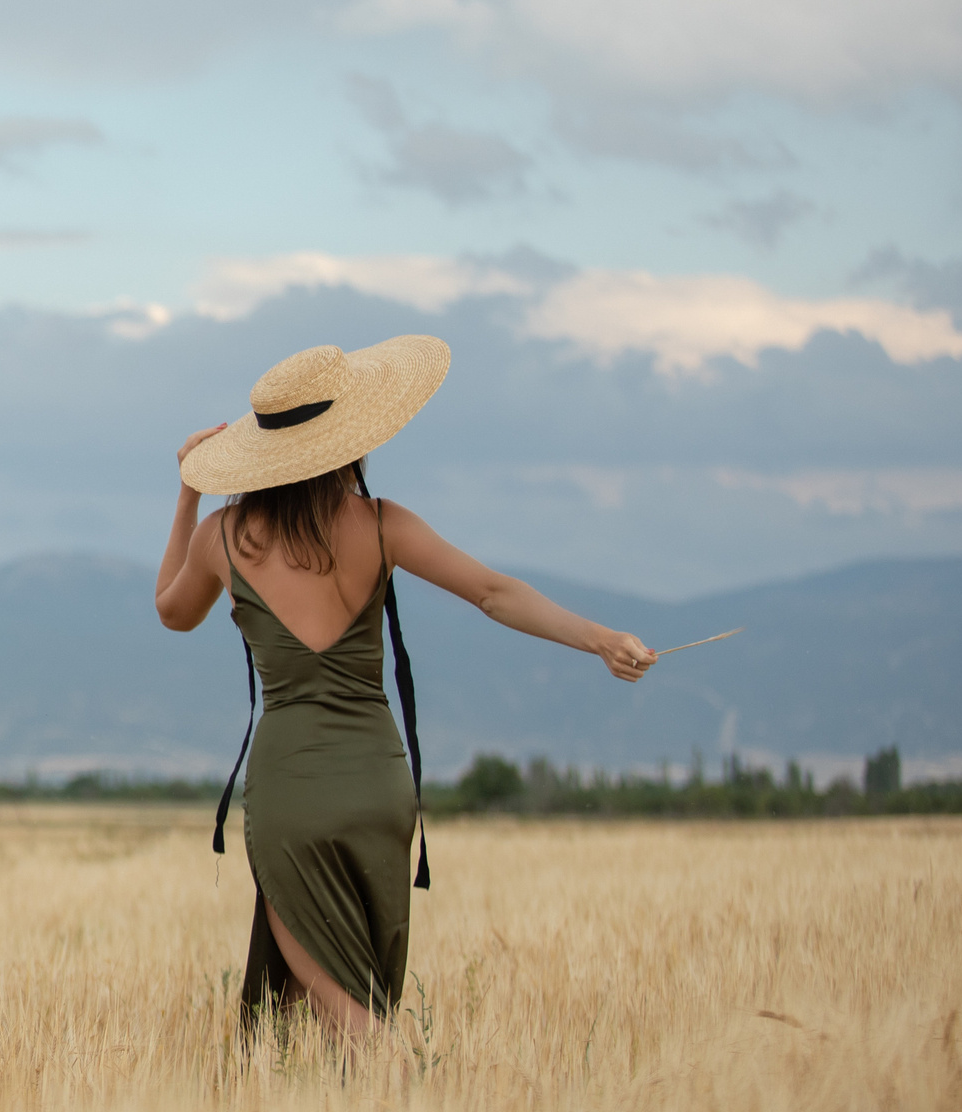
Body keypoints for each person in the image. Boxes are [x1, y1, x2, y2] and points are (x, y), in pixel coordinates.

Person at [154, 336, 656, 1043]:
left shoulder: (223, 536)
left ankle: (390, 1062)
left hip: (291, 785)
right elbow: (493, 592)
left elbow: (172, 612)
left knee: (339, 1003)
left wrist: (188, 492)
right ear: (347, 441)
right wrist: (600, 638)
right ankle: (350, 1101)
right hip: (379, 782)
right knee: (348, 986)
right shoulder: (383, 524)